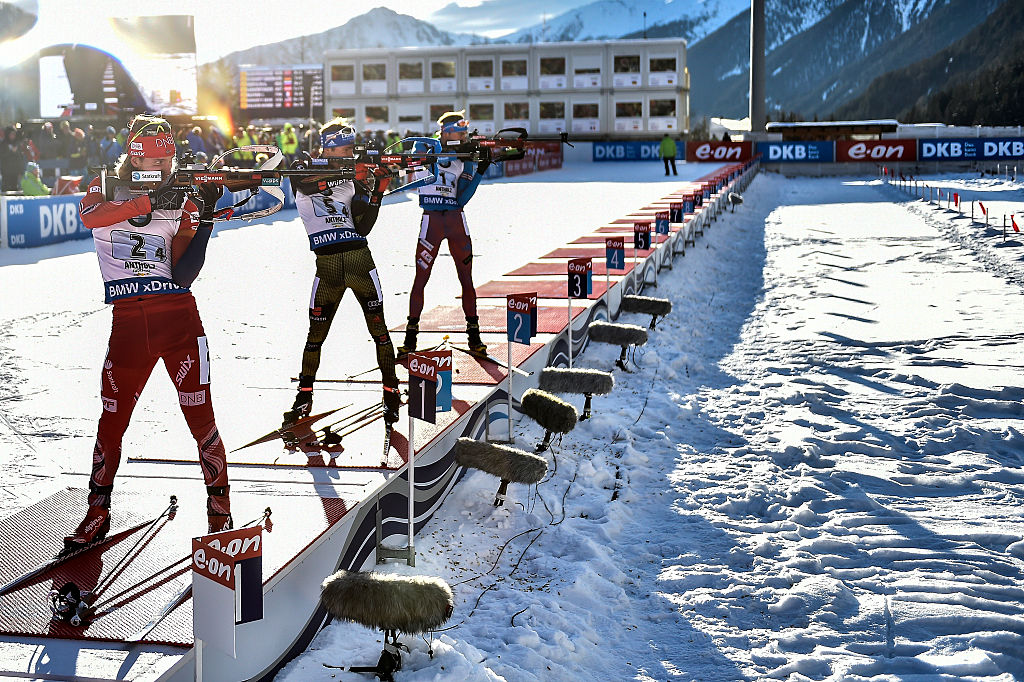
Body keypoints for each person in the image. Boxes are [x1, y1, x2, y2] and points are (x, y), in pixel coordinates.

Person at [70, 113, 231, 545]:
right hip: (126, 325)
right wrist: (144, 203)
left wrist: (206, 216)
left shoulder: (182, 198)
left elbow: (183, 274)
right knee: (112, 420)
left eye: (167, 163)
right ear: (134, 156)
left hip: (177, 319)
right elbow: (91, 218)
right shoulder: (104, 185)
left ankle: (221, 513)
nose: (162, 171)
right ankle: (97, 513)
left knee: (202, 418)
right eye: (154, 162)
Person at [283, 119, 401, 428]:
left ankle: (391, 390)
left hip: (360, 261)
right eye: (346, 148)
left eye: (352, 150)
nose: (351, 154)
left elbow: (362, 227)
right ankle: (304, 394)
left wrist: (376, 191)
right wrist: (349, 171)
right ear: (330, 146)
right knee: (315, 336)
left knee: (379, 330)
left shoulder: (354, 177)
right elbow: (306, 185)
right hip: (328, 266)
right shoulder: (305, 164)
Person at [397, 110, 492, 358]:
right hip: (431, 222)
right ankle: (410, 338)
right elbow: (416, 153)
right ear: (447, 132)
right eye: (460, 133)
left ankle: (474, 336)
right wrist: (445, 151)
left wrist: (479, 168)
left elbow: (462, 199)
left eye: (465, 134)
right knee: (420, 278)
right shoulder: (424, 147)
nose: (464, 137)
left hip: (454, 219)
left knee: (466, 279)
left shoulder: (465, 156)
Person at [1, 126, 26, 192]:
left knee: (14, 188)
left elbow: (20, 157)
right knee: (6, 188)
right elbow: (2, 156)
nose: (13, 136)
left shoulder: (17, 144)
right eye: (11, 134)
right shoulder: (3, 144)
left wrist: (21, 170)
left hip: (15, 171)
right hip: (6, 172)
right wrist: (11, 151)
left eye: (14, 134)